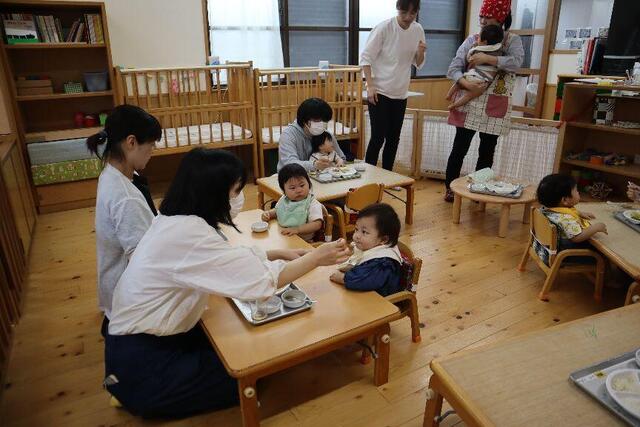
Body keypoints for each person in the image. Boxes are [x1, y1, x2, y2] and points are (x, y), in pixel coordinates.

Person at [104, 148, 350, 419]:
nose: (239, 199)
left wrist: (279, 253)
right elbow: (260, 281)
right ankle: (132, 392)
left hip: (140, 337)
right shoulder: (190, 234)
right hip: (142, 360)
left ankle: (129, 386)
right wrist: (316, 258)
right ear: (213, 194)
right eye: (235, 191)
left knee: (232, 342)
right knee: (251, 374)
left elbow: (225, 259)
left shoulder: (175, 219)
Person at [87, 105, 162, 336]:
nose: (152, 152)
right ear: (131, 142)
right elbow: (144, 262)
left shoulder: (113, 173)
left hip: (114, 284)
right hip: (127, 299)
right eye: (150, 146)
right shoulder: (125, 197)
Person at [443, 0, 524, 202]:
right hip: (468, 102)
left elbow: (516, 63)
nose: (483, 21)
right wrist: (465, 83)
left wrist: (489, 59)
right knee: (459, 148)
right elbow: (453, 67)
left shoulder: (512, 40)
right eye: (481, 17)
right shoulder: (473, 39)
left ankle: (480, 190)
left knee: (487, 151)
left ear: (501, 18)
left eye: (488, 17)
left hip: (495, 103)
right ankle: (450, 188)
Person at [360, 0, 427, 172]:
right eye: (404, 12)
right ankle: (369, 178)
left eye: (412, 13)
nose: (408, 17)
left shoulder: (418, 29)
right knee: (377, 138)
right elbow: (365, 59)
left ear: (417, 12)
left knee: (393, 138)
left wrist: (420, 53)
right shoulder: (384, 28)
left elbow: (418, 63)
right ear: (398, 9)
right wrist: (370, 86)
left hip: (400, 93)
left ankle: (388, 177)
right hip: (379, 91)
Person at [330, 203, 403, 297]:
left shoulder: (383, 262)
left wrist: (342, 278)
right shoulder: (373, 246)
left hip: (380, 304)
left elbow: (364, 279)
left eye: (364, 232)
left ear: (384, 239)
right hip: (362, 295)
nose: (356, 236)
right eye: (356, 229)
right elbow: (361, 263)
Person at [537, 174, 607, 261]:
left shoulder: (545, 209)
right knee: (603, 253)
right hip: (563, 255)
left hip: (542, 249)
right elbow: (577, 237)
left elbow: (563, 211)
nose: (578, 192)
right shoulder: (566, 219)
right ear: (565, 200)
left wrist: (579, 213)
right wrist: (596, 228)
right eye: (576, 190)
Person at [277, 98, 346, 172]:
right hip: (292, 179)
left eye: (324, 120)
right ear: (305, 121)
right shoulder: (288, 135)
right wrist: (314, 165)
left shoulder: (326, 135)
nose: (322, 124)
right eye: (318, 120)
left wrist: (338, 163)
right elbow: (289, 164)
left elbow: (342, 158)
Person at [446, 24, 504, 110]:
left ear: (484, 42)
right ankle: (454, 106)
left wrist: (473, 47)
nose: (477, 39)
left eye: (479, 37)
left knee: (458, 82)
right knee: (469, 95)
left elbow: (469, 59)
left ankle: (449, 95)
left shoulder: (477, 49)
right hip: (484, 80)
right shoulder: (499, 50)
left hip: (474, 75)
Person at [261, 163, 324, 242]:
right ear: (284, 191)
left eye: (302, 185)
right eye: (292, 188)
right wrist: (268, 214)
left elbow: (317, 224)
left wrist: (297, 229)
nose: (298, 190)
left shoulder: (312, 203)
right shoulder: (284, 200)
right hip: (284, 238)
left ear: (309, 184)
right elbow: (278, 210)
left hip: (303, 242)